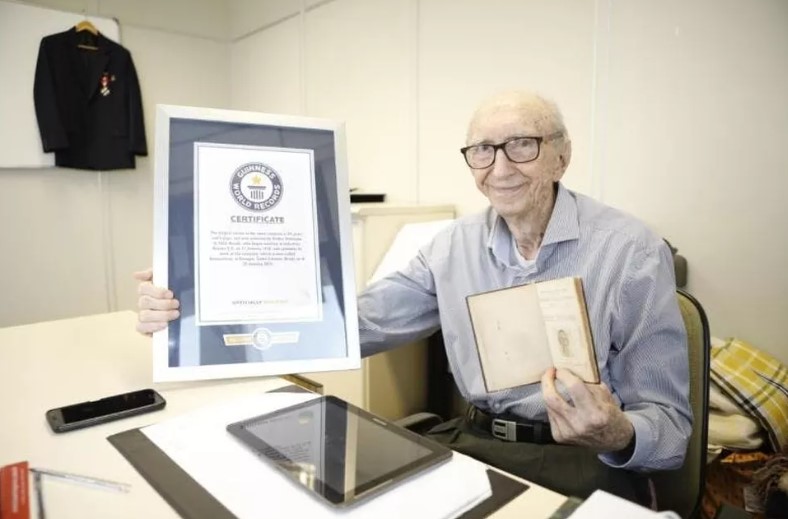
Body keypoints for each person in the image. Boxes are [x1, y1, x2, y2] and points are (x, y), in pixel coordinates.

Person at [136, 90, 691, 504]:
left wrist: (616, 432)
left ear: (561, 156)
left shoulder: (631, 251)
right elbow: (354, 325)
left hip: (585, 461)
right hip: (478, 444)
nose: (500, 168)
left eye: (522, 145)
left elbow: (671, 430)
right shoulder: (450, 248)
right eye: (482, 150)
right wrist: (200, 307)